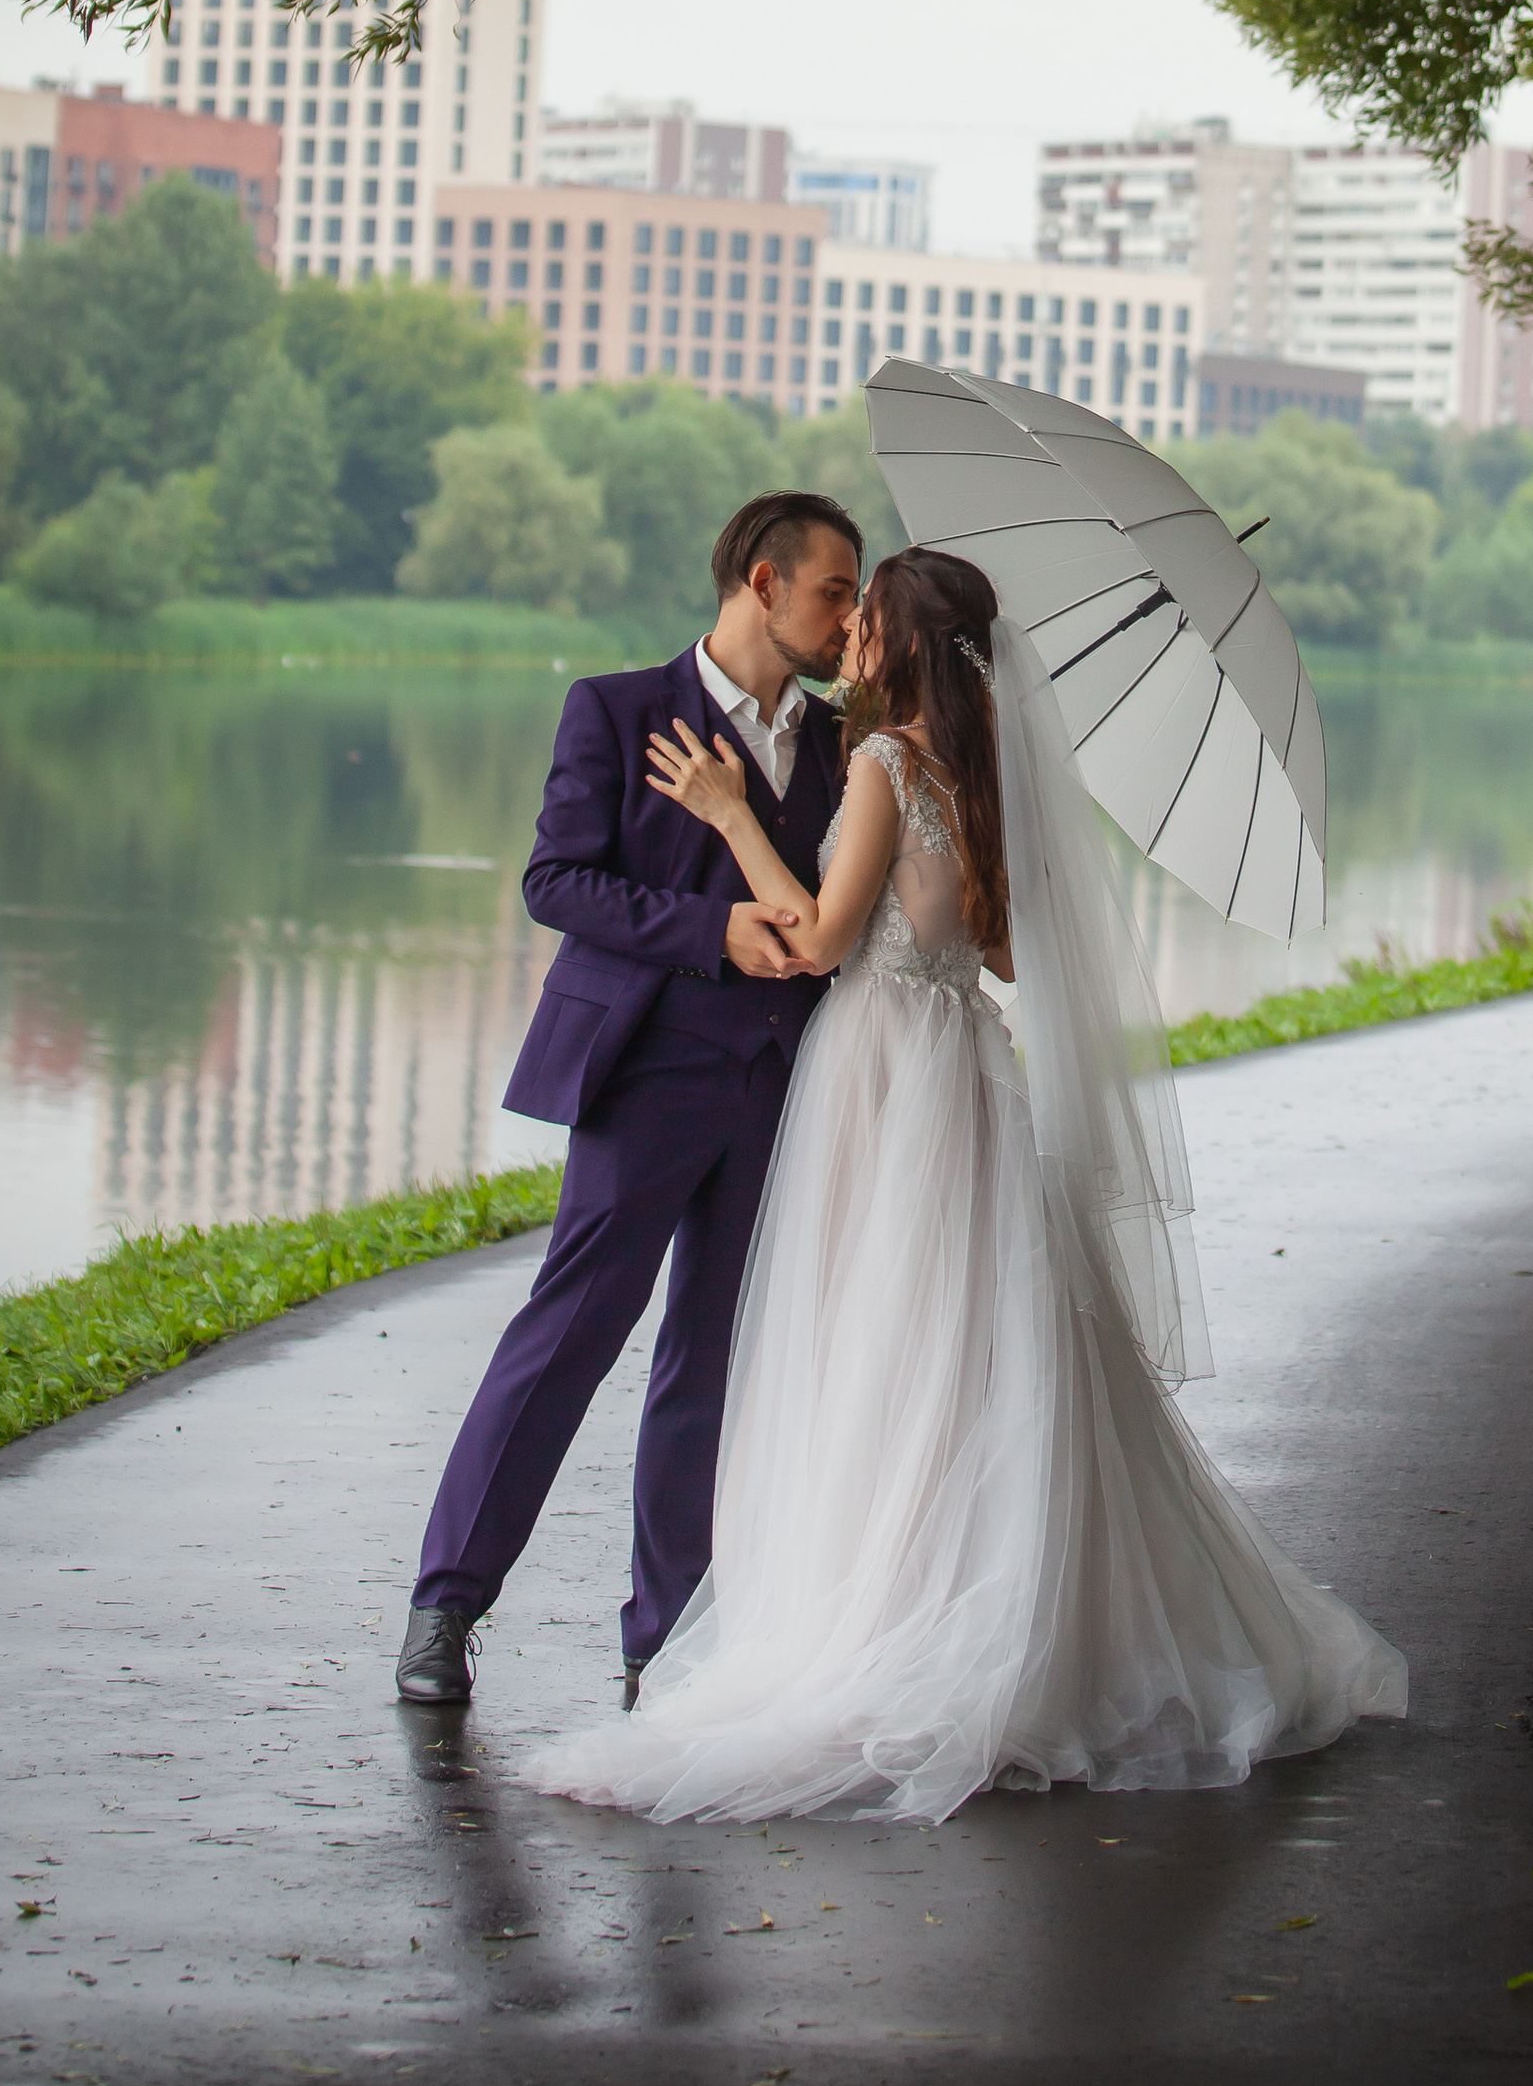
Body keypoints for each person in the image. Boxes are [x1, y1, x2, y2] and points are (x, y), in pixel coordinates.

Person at [528, 544, 1406, 1822]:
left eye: (865, 617)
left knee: (885, 1345)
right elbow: (994, 952)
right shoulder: (983, 776)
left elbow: (826, 941)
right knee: (974, 1340)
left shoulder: (884, 764)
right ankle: (990, 1599)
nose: (851, 639)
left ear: (899, 641)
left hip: (880, 1066)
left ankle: (891, 1608)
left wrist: (728, 818)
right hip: (966, 1073)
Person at [394, 490, 865, 1711]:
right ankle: (445, 1606)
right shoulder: (612, 708)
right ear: (762, 583)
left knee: (712, 1363)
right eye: (834, 590)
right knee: (567, 1337)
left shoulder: (840, 744)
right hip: (647, 1071)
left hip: (781, 1084)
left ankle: (665, 1641)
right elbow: (556, 882)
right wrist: (711, 929)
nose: (848, 614)